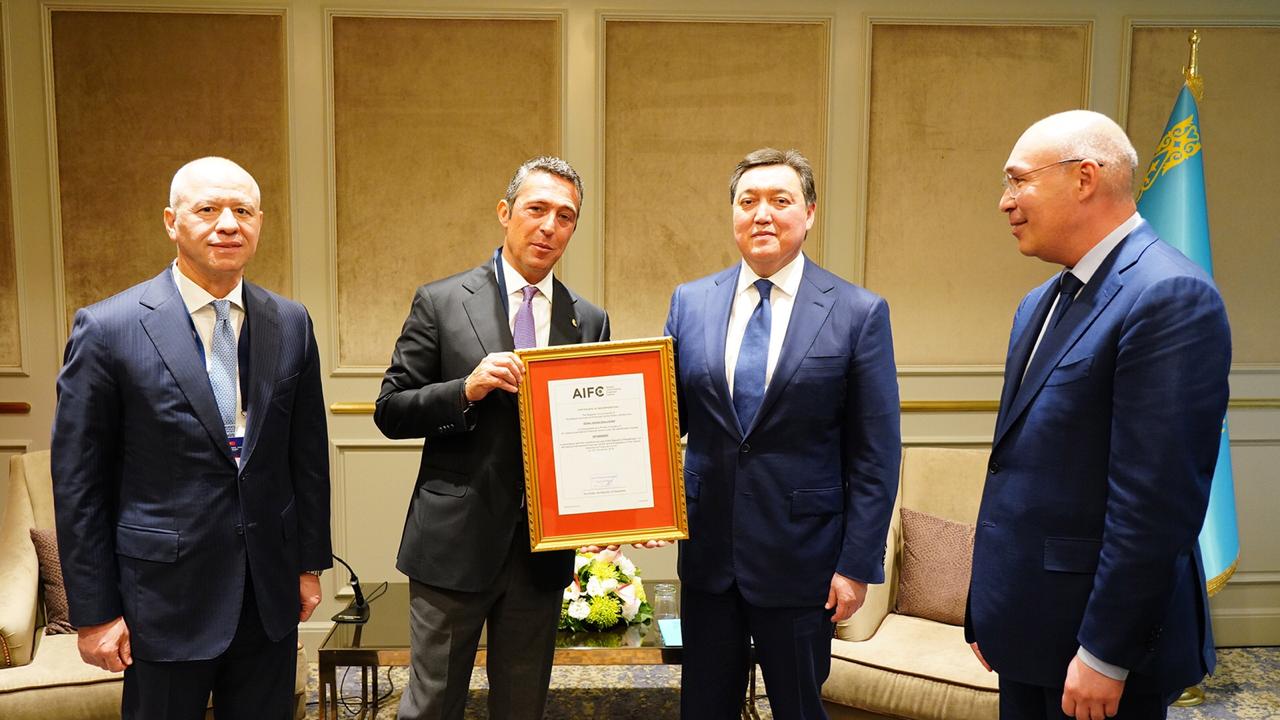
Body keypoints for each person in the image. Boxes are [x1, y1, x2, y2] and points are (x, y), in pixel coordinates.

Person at [966, 110, 1231, 720]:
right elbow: (1019, 472)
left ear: (1084, 177)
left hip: (1096, 647)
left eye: (1018, 180)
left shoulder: (1168, 294)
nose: (1005, 202)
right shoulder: (1039, 302)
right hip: (1029, 629)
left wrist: (1106, 654)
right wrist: (991, 608)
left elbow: (1156, 503)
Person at [51, 156, 332, 720]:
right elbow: (79, 484)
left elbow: (306, 458)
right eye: (208, 209)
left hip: (267, 594)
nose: (228, 224)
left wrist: (308, 564)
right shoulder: (108, 328)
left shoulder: (290, 322)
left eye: (243, 211)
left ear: (259, 223)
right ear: (171, 222)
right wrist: (96, 612)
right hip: (162, 600)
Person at [663, 148, 901, 719]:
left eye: (780, 200)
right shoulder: (690, 302)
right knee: (703, 710)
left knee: (799, 709)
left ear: (809, 212)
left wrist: (856, 566)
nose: (762, 214)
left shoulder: (858, 312)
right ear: (733, 214)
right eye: (748, 201)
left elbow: (875, 455)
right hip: (708, 560)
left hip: (804, 563)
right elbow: (665, 421)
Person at [375, 156, 610, 720]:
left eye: (565, 216)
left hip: (541, 552)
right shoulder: (441, 301)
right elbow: (391, 410)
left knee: (523, 705)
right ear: (505, 212)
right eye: (536, 209)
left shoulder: (589, 320)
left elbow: (594, 433)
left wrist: (611, 512)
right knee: (432, 704)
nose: (549, 226)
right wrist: (465, 389)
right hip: (453, 543)